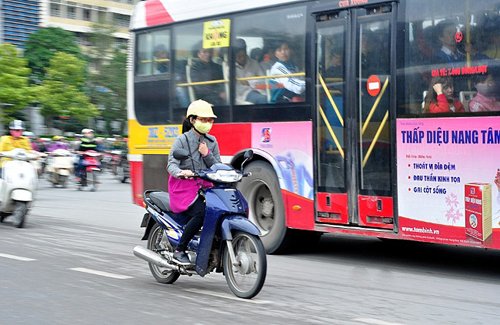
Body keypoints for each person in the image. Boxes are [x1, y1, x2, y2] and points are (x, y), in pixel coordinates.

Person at [167, 99, 221, 265]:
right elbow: (171, 164)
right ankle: (180, 249)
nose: (207, 123)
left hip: (205, 186)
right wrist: (181, 173)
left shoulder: (211, 142)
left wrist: (206, 154)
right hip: (184, 187)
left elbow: (217, 166)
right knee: (202, 212)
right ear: (192, 120)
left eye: (210, 120)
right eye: (203, 120)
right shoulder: (181, 140)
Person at [234, 38, 267, 104]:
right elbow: (236, 87)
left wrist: (249, 82)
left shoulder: (254, 63)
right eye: (239, 56)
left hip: (260, 91)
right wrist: (254, 81)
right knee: (263, 100)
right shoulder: (229, 67)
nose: (242, 58)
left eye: (244, 55)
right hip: (243, 95)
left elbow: (264, 80)